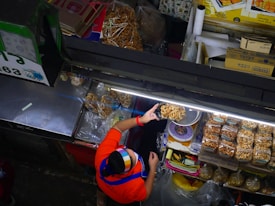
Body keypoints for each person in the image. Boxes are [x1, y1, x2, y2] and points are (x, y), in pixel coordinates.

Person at [95, 103, 160, 205]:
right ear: (127, 172)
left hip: (104, 183)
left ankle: (100, 199)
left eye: (125, 150)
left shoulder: (102, 154)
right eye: (133, 157)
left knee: (102, 186)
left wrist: (141, 120)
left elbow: (117, 128)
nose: (130, 150)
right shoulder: (133, 186)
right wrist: (152, 169)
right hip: (123, 200)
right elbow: (145, 195)